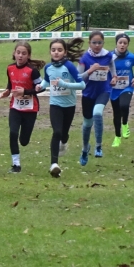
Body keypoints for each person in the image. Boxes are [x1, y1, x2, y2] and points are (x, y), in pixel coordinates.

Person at [36, 38, 86, 178]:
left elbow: (82, 85)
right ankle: (54, 164)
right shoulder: (48, 68)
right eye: (53, 50)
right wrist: (41, 86)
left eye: (59, 50)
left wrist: (66, 85)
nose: (56, 52)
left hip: (69, 105)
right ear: (50, 52)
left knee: (64, 134)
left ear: (64, 52)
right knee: (56, 132)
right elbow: (47, 80)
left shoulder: (69, 66)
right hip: (55, 104)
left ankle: (64, 142)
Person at [0, 41, 45, 173]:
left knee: (24, 141)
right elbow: (10, 85)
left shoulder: (33, 71)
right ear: (14, 53)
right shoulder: (10, 68)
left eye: (24, 53)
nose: (20, 56)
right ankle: (16, 165)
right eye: (18, 53)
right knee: (13, 133)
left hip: (30, 109)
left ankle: (22, 144)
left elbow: (41, 88)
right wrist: (6, 92)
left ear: (28, 56)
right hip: (15, 107)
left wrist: (25, 92)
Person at [77, 31, 117, 166]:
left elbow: (112, 67)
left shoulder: (108, 55)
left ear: (103, 43)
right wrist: (90, 71)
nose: (97, 45)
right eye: (94, 42)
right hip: (88, 94)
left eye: (100, 42)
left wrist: (114, 77)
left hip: (104, 91)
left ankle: (98, 146)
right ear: (89, 43)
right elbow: (78, 78)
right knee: (87, 124)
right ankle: (84, 149)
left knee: (98, 113)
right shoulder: (84, 58)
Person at [110, 33, 134, 147]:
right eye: (120, 43)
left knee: (124, 105)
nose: (122, 45)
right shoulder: (110, 56)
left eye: (125, 43)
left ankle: (125, 124)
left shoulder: (132, 57)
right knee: (116, 114)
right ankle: (117, 137)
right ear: (116, 43)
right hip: (113, 89)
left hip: (127, 87)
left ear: (128, 44)